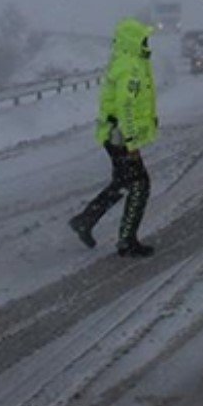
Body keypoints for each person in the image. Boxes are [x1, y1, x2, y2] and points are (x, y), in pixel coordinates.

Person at [68, 17, 160, 257]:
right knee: (140, 184)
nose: (147, 41)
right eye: (143, 37)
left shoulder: (130, 62)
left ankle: (85, 221)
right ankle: (126, 241)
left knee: (123, 182)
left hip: (116, 135)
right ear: (133, 40)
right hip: (120, 136)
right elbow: (125, 106)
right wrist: (131, 141)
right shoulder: (130, 66)